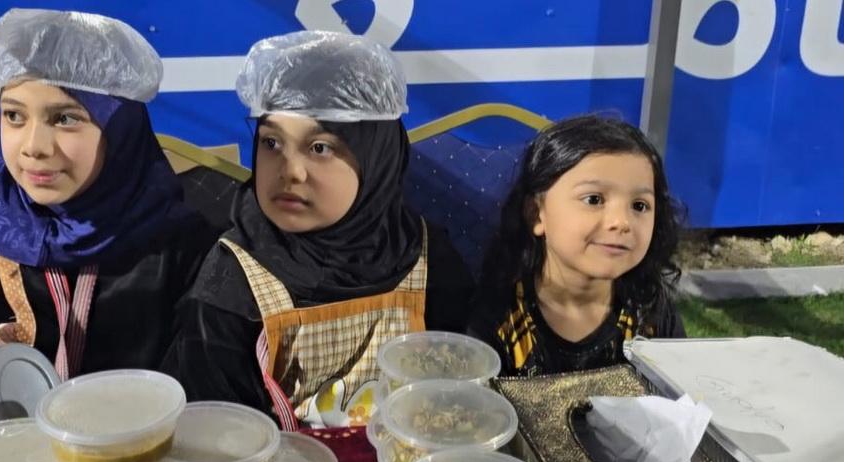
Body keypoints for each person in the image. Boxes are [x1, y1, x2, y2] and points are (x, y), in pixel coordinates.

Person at [162, 31, 473, 429]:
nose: (290, 172)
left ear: (376, 157)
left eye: (320, 148)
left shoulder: (427, 258)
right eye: (271, 143)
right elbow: (216, 432)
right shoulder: (233, 282)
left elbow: (462, 391)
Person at [0, 9, 219, 378]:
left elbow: (200, 388)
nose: (34, 146)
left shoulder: (178, 247)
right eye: (14, 116)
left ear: (121, 132)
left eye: (65, 118)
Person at [470, 114, 685, 377]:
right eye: (594, 199)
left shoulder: (650, 311)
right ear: (536, 214)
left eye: (639, 205)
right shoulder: (500, 317)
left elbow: (679, 396)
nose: (621, 222)